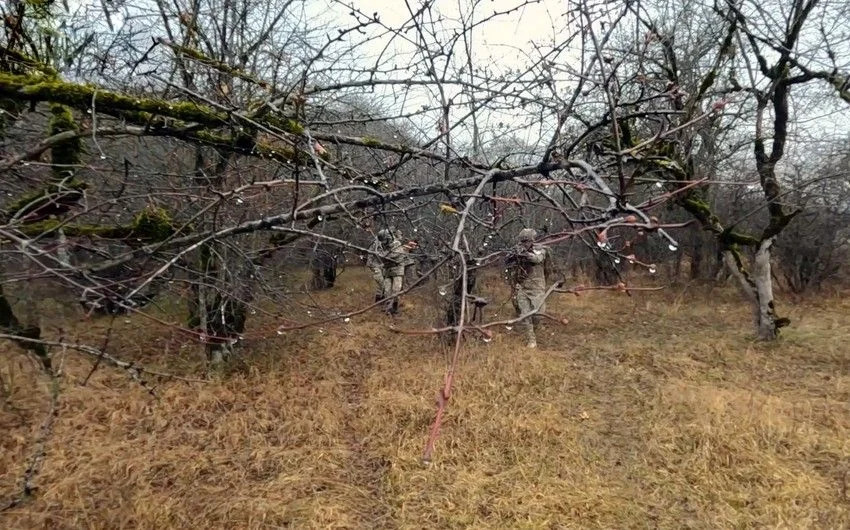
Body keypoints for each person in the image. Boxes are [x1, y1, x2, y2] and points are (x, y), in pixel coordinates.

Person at [507, 228, 551, 348]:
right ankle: (531, 339)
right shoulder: (517, 249)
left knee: (538, 314)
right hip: (522, 286)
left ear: (532, 240)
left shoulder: (540, 249)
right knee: (525, 314)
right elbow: (508, 261)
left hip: (537, 287)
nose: (524, 243)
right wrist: (514, 255)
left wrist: (525, 254)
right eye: (522, 241)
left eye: (526, 241)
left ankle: (534, 331)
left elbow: (537, 259)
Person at [367, 230, 388, 303]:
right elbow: (370, 255)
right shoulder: (374, 244)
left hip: (382, 265)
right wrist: (372, 266)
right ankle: (384, 299)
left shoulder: (385, 243)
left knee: (381, 284)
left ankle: (379, 299)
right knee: (382, 282)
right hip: (375, 265)